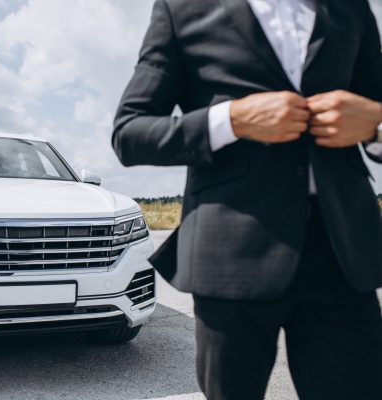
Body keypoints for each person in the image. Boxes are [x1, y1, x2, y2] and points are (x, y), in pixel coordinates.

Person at [112, 0, 382, 399]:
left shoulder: (351, 8)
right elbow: (130, 133)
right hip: (230, 253)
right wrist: (232, 120)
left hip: (341, 253)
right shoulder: (181, 8)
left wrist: (376, 123)